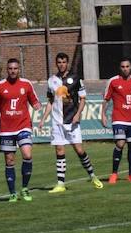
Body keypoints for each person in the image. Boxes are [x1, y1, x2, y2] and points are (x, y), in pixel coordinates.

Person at [39, 52, 103, 193]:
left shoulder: (75, 78)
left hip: (71, 120)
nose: (61, 64)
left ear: (67, 63)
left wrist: (78, 114)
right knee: (60, 151)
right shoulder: (51, 80)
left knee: (79, 150)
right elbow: (50, 101)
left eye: (64, 62)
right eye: (59, 62)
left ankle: (93, 176)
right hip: (57, 122)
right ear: (56, 63)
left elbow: (83, 99)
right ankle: (60, 184)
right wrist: (43, 119)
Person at [0, 58, 42, 202]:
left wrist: (38, 105)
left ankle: (25, 188)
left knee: (27, 154)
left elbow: (34, 100)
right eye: (10, 69)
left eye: (15, 68)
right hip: (6, 129)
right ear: (7, 70)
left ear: (19, 69)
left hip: (23, 126)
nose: (13, 71)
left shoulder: (26, 84)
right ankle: (13, 192)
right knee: (9, 160)